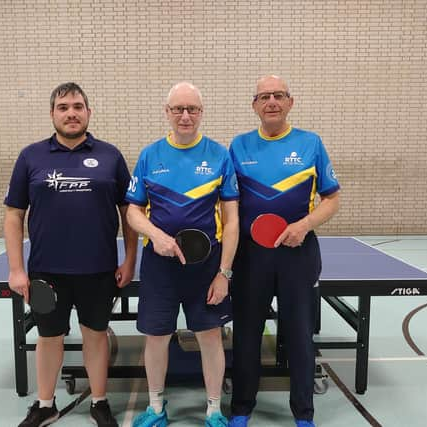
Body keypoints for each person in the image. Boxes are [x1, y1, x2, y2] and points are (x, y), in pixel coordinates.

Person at [4, 82, 138, 427]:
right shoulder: (30, 156)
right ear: (52, 114)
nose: (71, 113)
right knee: (49, 338)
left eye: (78, 106)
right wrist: (17, 269)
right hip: (46, 272)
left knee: (96, 335)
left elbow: (130, 212)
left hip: (97, 269)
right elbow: (14, 215)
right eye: (63, 107)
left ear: (88, 113)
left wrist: (129, 260)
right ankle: (45, 404)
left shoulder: (110, 156)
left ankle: (99, 401)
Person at [227, 75, 341, 427]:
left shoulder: (311, 143)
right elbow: (227, 203)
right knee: (246, 335)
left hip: (297, 254)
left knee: (299, 335)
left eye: (279, 95)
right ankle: (242, 407)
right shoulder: (238, 146)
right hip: (250, 258)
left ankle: (303, 413)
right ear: (255, 105)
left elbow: (332, 198)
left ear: (290, 102)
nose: (272, 101)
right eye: (264, 96)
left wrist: (304, 225)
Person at [125, 82, 239, 427]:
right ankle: (156, 407)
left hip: (206, 267)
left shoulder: (220, 156)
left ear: (201, 113)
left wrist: (225, 273)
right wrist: (156, 236)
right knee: (156, 337)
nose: (185, 115)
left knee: (209, 336)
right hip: (160, 265)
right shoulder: (150, 155)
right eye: (178, 109)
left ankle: (214, 409)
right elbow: (132, 212)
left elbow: (232, 220)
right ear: (167, 112)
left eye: (192, 109)